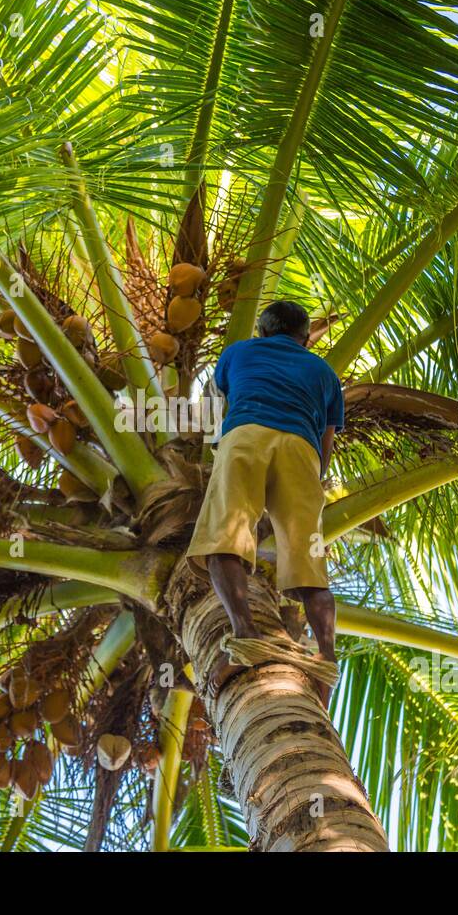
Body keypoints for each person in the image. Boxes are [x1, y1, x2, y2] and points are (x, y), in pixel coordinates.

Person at [185, 299, 344, 706]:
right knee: (309, 565)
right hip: (301, 451)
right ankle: (325, 659)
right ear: (306, 339)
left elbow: (218, 400)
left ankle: (247, 634)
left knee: (224, 539)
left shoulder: (237, 353)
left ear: (261, 330)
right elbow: (327, 441)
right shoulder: (324, 372)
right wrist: (312, 476)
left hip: (246, 436)